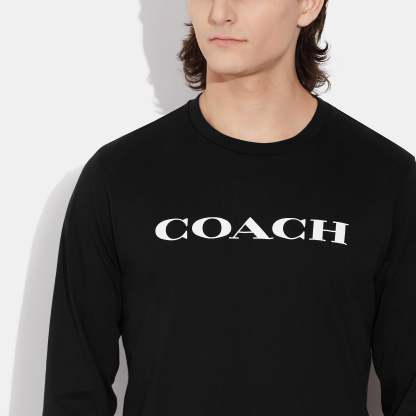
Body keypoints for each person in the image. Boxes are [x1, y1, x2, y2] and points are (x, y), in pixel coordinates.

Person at [41, 1, 416, 415]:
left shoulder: (386, 180)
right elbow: (73, 394)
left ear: (308, 5)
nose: (219, 12)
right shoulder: (118, 178)